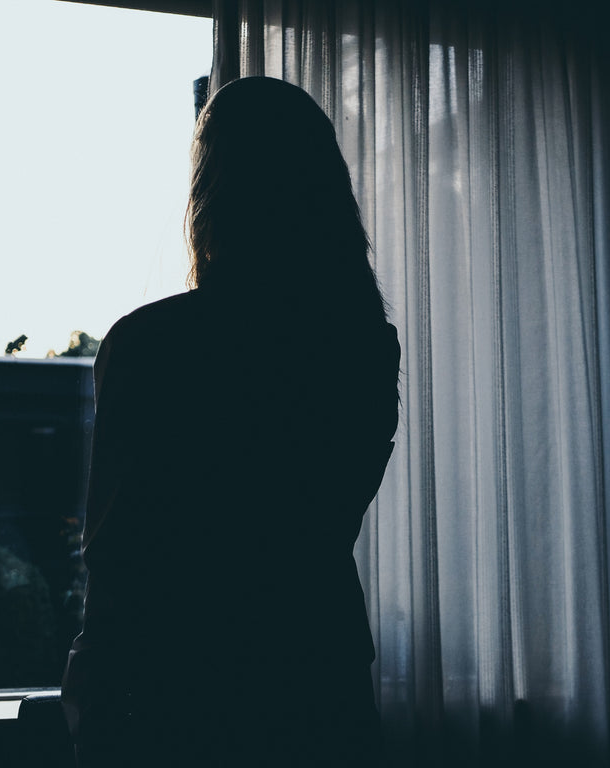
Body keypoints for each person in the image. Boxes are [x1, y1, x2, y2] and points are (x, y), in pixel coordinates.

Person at [61, 76, 400, 767]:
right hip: (319, 681)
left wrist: (91, 703)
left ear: (211, 188)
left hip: (180, 694)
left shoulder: (151, 345)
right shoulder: (363, 345)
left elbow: (121, 558)